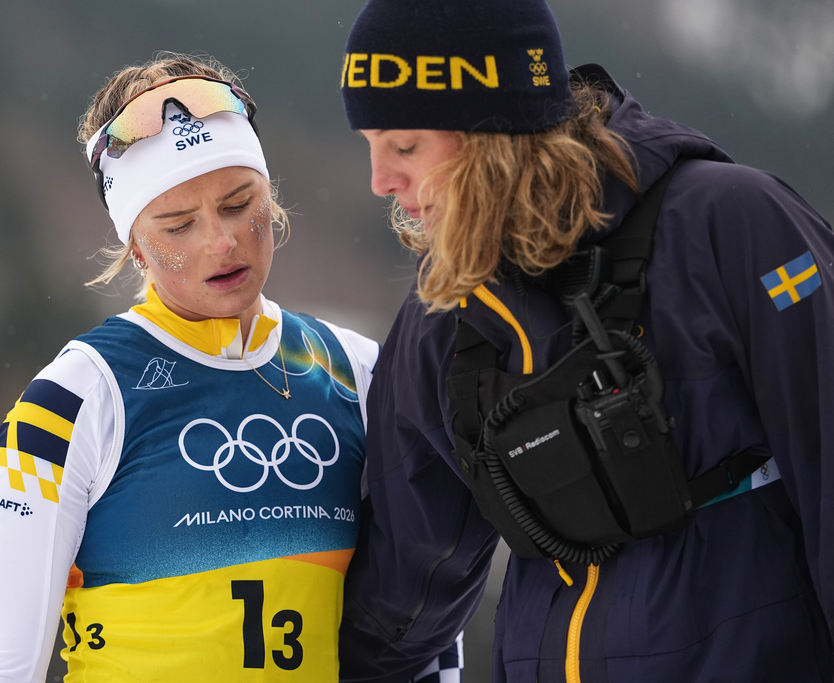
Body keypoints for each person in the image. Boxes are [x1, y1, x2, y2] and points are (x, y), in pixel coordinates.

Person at [335, 1, 834, 682]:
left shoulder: (731, 224)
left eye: (404, 145)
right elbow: (396, 602)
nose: (380, 182)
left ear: (491, 131)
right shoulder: (444, 308)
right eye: (371, 146)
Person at [0, 52, 462, 682]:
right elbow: (8, 665)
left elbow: (428, 608)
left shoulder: (359, 369)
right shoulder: (74, 400)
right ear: (136, 247)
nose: (221, 242)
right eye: (178, 225)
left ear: (271, 199)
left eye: (238, 204)